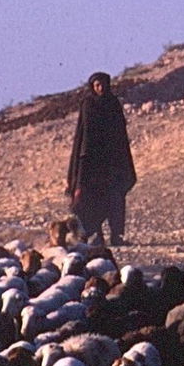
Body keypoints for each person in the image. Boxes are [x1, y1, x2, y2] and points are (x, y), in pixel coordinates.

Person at [66, 72, 137, 246]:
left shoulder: (113, 103)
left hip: (113, 162)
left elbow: (120, 135)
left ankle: (117, 235)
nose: (101, 88)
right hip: (92, 163)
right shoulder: (88, 104)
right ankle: (96, 234)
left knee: (116, 199)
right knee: (92, 199)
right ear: (92, 86)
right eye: (97, 85)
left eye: (103, 84)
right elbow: (85, 135)